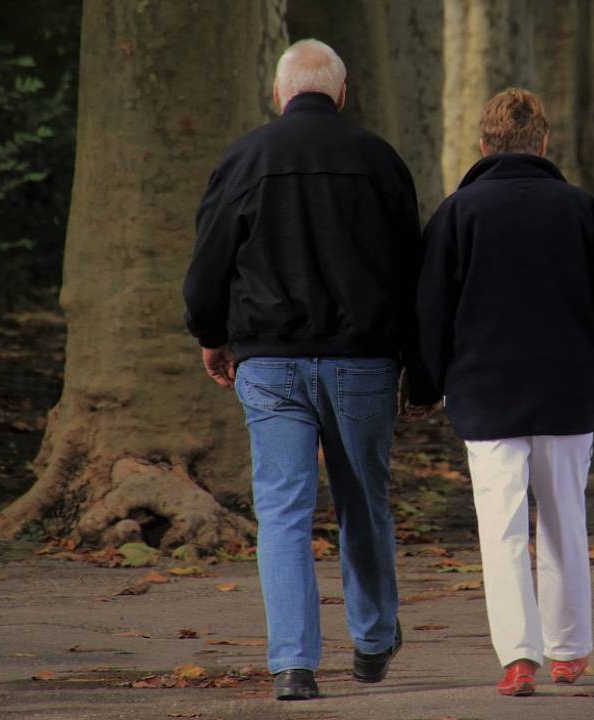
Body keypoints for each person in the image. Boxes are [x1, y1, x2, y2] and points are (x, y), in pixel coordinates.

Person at [182, 39, 429, 701]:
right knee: (363, 502)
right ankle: (374, 639)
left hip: (269, 361)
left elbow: (208, 264)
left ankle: (293, 663)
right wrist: (419, 362)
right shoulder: (380, 161)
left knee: (283, 511)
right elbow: (414, 273)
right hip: (362, 362)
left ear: (279, 93)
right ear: (342, 93)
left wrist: (213, 336)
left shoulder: (244, 158)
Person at [412, 88, 594, 696]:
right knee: (566, 518)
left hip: (485, 395)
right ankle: (569, 649)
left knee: (501, 528)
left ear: (483, 146)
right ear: (543, 143)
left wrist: (428, 383)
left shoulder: (457, 214)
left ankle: (519, 655)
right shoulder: (583, 210)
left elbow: (431, 311)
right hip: (567, 391)